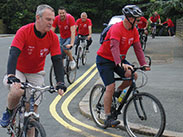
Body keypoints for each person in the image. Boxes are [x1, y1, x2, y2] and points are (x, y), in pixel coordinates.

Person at [0, 4, 67, 128]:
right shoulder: (24, 31)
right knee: (16, 91)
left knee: (32, 112)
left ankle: (29, 128)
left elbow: (57, 60)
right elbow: (13, 53)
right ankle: (8, 111)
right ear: (38, 18)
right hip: (18, 70)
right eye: (48, 19)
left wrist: (60, 82)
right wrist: (11, 75)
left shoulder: (52, 37)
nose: (51, 23)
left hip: (36, 72)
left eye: (53, 20)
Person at [96, 5, 150, 128]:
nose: (139, 22)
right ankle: (107, 117)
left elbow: (138, 48)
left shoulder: (134, 30)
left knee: (133, 75)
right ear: (129, 18)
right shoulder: (117, 28)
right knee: (110, 86)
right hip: (104, 59)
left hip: (120, 59)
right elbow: (114, 47)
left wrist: (144, 64)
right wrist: (120, 63)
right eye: (137, 19)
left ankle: (118, 92)